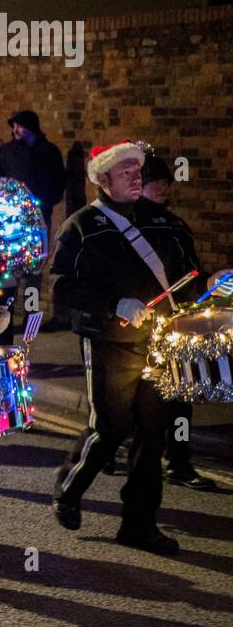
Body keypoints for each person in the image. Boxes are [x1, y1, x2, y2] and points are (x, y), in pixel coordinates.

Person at [51, 142, 227, 555]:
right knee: (111, 428)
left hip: (161, 343)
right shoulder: (82, 226)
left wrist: (212, 283)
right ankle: (69, 487)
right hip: (109, 341)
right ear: (102, 178)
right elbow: (64, 290)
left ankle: (139, 523)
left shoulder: (165, 225)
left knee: (153, 435)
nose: (136, 175)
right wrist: (114, 306)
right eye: (126, 170)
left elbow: (188, 280)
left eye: (138, 169)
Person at [136, 154, 212, 490]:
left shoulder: (177, 225)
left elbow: (192, 271)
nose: (162, 186)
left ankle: (179, 462)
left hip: (178, 321)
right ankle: (127, 457)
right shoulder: (127, 226)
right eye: (155, 180)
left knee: (182, 397)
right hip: (141, 324)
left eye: (165, 180)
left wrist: (210, 282)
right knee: (143, 399)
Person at [0, 110, 66, 229]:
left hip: (41, 214)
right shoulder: (5, 152)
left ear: (30, 127)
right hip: (12, 216)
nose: (15, 130)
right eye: (14, 126)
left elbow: (59, 179)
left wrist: (48, 201)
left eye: (19, 126)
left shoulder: (49, 151)